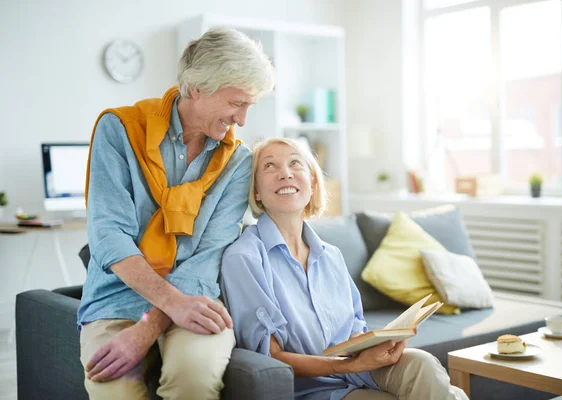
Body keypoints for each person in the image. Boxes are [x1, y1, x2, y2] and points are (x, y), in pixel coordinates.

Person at [77, 27, 275, 400]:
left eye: (251, 106)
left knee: (194, 381)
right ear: (198, 87)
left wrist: (148, 327)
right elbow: (108, 236)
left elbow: (208, 256)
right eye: (237, 103)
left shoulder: (238, 160)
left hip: (196, 298)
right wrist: (165, 305)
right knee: (114, 392)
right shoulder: (120, 130)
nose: (243, 120)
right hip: (117, 298)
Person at [220, 138, 468, 400]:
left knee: (423, 365)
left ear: (313, 182)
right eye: (270, 166)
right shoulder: (244, 258)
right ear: (256, 191)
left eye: (295, 163)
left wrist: (378, 346)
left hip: (359, 372)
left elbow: (354, 329)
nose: (286, 173)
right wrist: (348, 365)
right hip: (314, 388)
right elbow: (271, 356)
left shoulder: (331, 255)